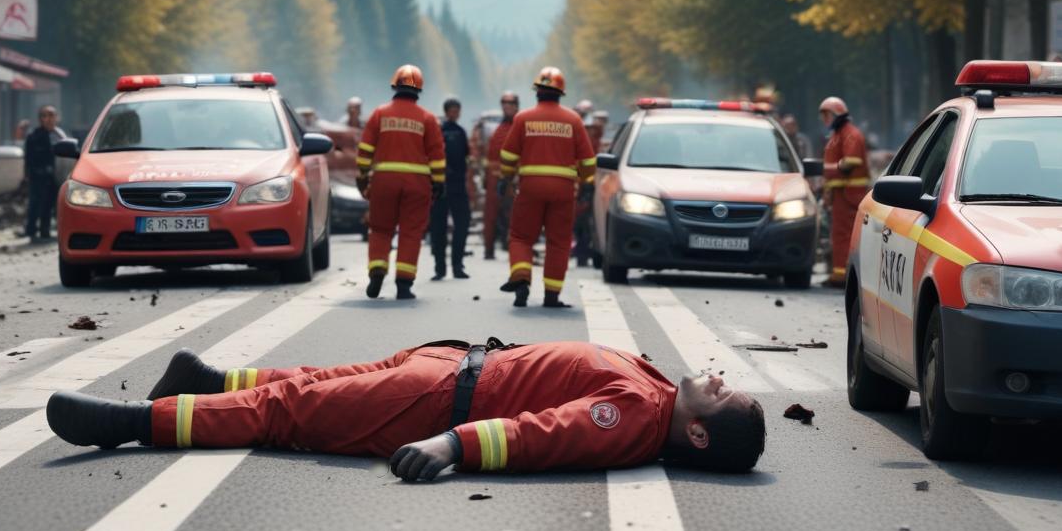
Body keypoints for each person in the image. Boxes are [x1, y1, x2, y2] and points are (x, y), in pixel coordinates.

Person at [44, 339, 767, 481]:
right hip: (445, 364)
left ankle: (134, 423)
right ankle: (202, 378)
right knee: (312, 376)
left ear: (697, 431)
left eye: (721, 389)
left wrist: (452, 447)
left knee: (289, 410)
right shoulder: (654, 388)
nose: (714, 374)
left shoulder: (636, 418)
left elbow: (538, 434)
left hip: (434, 400)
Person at [498, 67, 596, 308]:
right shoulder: (573, 120)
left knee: (521, 237)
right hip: (563, 191)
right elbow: (588, 160)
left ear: (537, 92)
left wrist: (505, 178)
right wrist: (587, 184)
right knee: (559, 241)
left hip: (530, 188)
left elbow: (509, 154)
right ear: (560, 92)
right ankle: (551, 295)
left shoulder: (523, 118)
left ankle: (521, 279)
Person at [357, 65, 446, 300]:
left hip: (384, 183)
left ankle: (377, 271)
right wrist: (438, 182)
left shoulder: (380, 114)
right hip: (417, 185)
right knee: (410, 232)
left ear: (394, 85)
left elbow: (365, 149)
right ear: (419, 90)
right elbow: (437, 154)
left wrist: (363, 176)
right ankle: (404, 285)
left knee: (380, 229)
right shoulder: (427, 118)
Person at [820, 96, 870, 287]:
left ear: (836, 115)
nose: (825, 120)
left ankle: (843, 275)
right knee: (839, 234)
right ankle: (840, 272)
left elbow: (851, 161)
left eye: (827, 115)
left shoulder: (851, 134)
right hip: (840, 193)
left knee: (844, 234)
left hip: (850, 194)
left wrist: (831, 169)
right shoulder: (838, 135)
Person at [429, 97, 471, 281]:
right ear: (446, 112)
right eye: (452, 110)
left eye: (457, 110)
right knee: (438, 228)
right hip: (440, 186)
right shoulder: (439, 130)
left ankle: (457, 266)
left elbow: (467, 157)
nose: (455, 113)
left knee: (462, 225)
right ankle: (440, 268)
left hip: (458, 186)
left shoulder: (461, 132)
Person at [482, 92, 518, 261]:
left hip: (513, 180)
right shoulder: (498, 129)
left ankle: (515, 249)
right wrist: (485, 177)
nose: (506, 107)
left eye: (510, 104)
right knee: (490, 215)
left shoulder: (519, 127)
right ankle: (489, 249)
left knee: (514, 216)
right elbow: (489, 157)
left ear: (516, 106)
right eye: (504, 104)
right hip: (493, 180)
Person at [24, 105, 64, 242]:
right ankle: (31, 231)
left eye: (51, 115)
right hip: (38, 176)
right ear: (41, 119)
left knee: (50, 203)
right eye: (45, 116)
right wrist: (28, 175)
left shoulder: (59, 135)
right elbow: (28, 159)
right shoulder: (34, 136)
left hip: (54, 176)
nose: (48, 119)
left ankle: (45, 230)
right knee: (35, 203)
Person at [572, 115, 605, 267]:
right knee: (581, 224)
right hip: (584, 189)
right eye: (588, 129)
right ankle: (582, 254)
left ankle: (586, 253)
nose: (590, 132)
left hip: (595, 189)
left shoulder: (599, 145)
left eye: (593, 129)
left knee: (591, 224)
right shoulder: (579, 144)